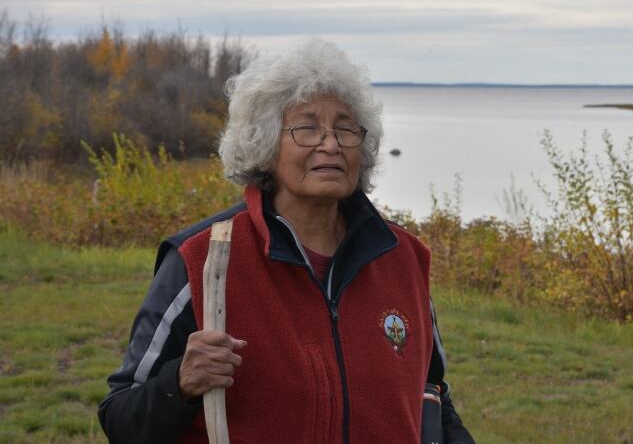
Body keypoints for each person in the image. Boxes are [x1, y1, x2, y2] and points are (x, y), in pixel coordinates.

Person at [98, 38, 474, 444]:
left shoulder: (404, 258)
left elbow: (431, 395)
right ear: (264, 143)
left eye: (344, 128)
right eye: (307, 127)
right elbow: (121, 419)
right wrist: (180, 382)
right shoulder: (202, 259)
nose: (330, 143)